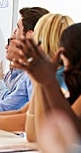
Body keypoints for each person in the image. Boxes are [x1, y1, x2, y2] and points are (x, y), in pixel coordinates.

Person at [0, 13, 73, 133]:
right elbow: (18, 111)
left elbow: (29, 122)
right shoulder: (38, 74)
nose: (7, 46)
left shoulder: (58, 78)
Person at [10, 22, 81, 150]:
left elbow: (71, 134)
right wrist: (38, 81)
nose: (66, 71)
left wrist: (48, 82)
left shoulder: (58, 81)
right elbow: (35, 134)